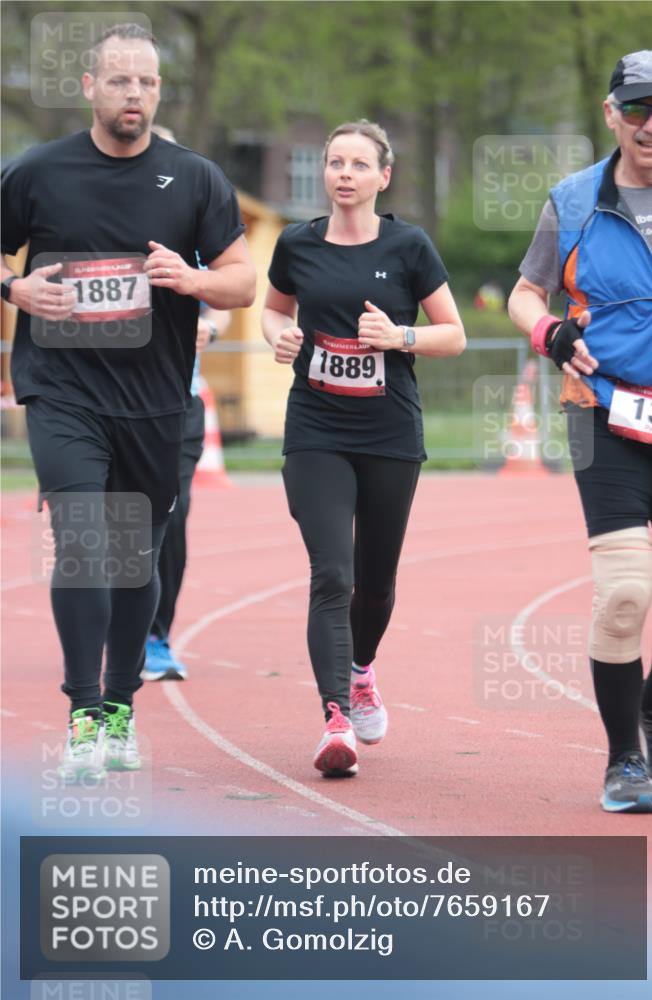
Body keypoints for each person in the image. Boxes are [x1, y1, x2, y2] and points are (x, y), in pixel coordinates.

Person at [0, 24, 255, 780]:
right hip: (62, 392)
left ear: (159, 91)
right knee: (83, 541)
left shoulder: (197, 178)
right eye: (118, 81)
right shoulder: (36, 172)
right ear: (90, 88)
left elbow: (243, 280)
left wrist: (194, 279)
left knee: (133, 558)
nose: (133, 94)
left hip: (153, 402)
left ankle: (119, 707)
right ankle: (83, 716)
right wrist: (15, 289)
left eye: (145, 82)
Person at [261, 120, 465, 777]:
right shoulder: (297, 243)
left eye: (358, 164)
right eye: (334, 162)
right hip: (316, 429)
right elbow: (274, 308)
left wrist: (400, 337)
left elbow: (454, 334)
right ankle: (335, 719)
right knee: (332, 575)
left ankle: (361, 670)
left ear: (383, 176)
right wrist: (278, 335)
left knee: (374, 586)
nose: (344, 174)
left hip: (388, 433)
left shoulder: (409, 246)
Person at [508, 50, 652, 813]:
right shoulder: (572, 201)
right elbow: (524, 292)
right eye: (636, 110)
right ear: (610, 115)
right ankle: (622, 762)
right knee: (626, 591)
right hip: (600, 409)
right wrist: (548, 332)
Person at [141, 124, 231, 681]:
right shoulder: (94, 220)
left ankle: (156, 637)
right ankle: (108, 626)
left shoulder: (193, 220)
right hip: (105, 399)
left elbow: (230, 288)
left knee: (169, 521)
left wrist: (211, 327)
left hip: (178, 398)